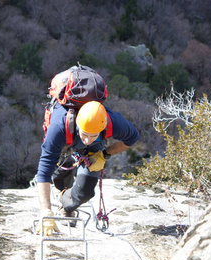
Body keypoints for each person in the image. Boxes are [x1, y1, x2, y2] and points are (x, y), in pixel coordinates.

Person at [36, 100, 140, 236]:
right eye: (85, 134)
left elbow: (132, 138)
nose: (87, 141)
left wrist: (105, 154)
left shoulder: (113, 122)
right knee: (60, 170)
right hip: (66, 138)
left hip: (93, 148)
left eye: (93, 136)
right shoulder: (59, 127)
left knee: (85, 190)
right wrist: (46, 211)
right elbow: (43, 172)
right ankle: (62, 188)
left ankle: (65, 202)